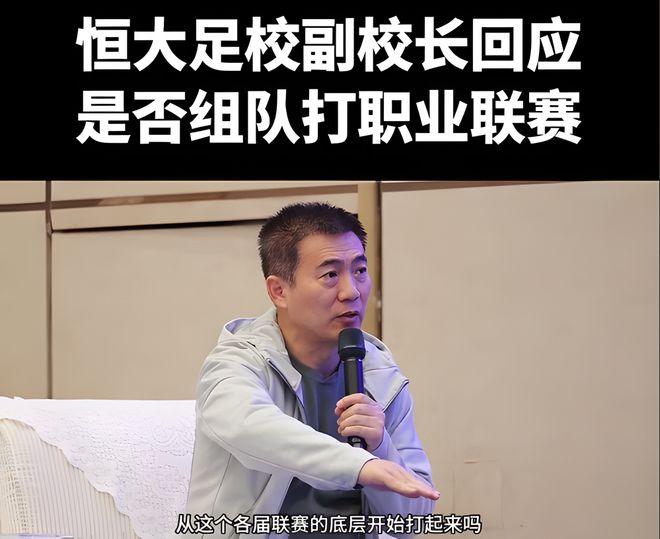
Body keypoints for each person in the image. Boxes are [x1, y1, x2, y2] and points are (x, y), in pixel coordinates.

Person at [185, 202, 438, 538]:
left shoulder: (380, 373)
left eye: (360, 271)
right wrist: (361, 466)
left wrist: (380, 447)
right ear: (279, 291)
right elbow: (251, 427)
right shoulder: (236, 363)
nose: (351, 291)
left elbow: (414, 517)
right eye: (330, 275)